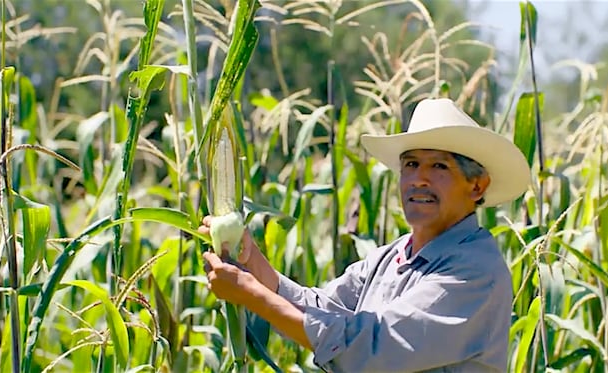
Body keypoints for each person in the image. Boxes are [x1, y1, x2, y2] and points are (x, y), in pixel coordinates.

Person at [199, 98, 532, 372]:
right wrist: (251, 260)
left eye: (439, 167)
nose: (419, 179)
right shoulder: (393, 256)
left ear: (477, 186)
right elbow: (321, 308)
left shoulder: (475, 272)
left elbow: (371, 349)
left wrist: (251, 295)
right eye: (411, 165)